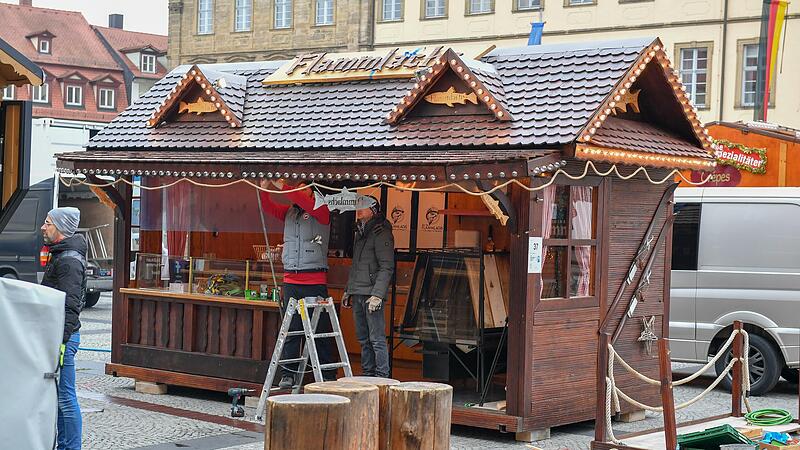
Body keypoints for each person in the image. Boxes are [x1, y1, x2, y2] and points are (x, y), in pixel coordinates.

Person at [259, 179, 336, 387]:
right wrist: (264, 190)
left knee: (320, 329)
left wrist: (282, 185)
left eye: (304, 189)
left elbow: (300, 198)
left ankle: (327, 373)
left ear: (312, 193)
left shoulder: (321, 209)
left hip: (314, 278)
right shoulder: (289, 213)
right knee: (291, 329)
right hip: (291, 278)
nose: (300, 192)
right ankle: (288, 373)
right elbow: (268, 207)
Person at [40, 207, 87, 450]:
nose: (43, 227)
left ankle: (71, 447)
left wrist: (61, 340)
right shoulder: (62, 254)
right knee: (60, 398)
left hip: (64, 338)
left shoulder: (68, 260)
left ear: (59, 227)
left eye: (48, 223)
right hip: (59, 336)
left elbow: (70, 305)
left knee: (66, 398)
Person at [342, 197, 395, 378]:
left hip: (371, 292)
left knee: (377, 339)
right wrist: (349, 290)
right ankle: (367, 373)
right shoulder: (360, 232)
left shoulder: (381, 232)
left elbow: (387, 266)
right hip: (358, 291)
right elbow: (356, 264)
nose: (359, 210)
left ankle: (381, 376)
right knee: (364, 339)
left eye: (363, 207)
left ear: (373, 210)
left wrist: (378, 295)